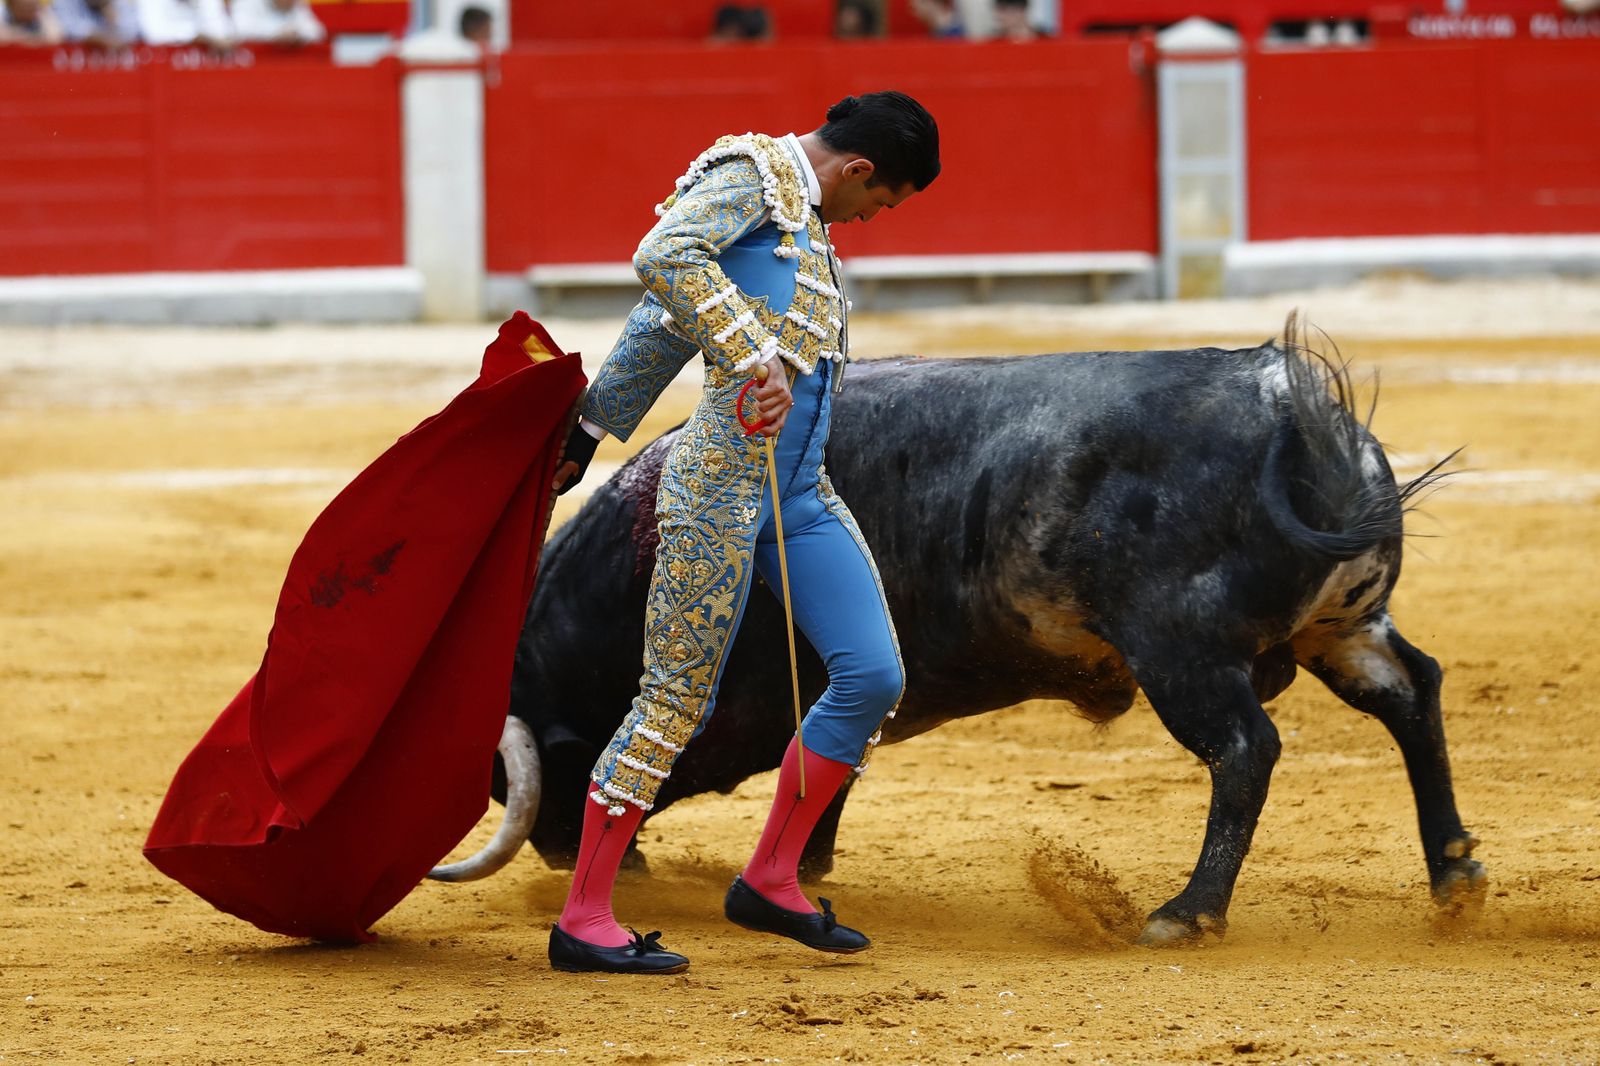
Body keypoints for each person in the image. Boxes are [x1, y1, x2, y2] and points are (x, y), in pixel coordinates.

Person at [548, 91, 940, 975]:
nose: (873, 215)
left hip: (799, 493)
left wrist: (607, 418)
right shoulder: (750, 175)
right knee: (675, 699)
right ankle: (583, 915)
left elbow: (668, 315)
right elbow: (663, 258)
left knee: (873, 673)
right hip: (717, 491)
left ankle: (770, 877)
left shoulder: (804, 216)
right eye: (883, 200)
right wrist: (600, 426)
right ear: (858, 169)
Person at [230, 0, 324, 45]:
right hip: (252, 63)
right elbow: (240, 30)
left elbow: (318, 32)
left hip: (289, 65)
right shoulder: (248, 2)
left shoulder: (296, 4)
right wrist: (276, 35)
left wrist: (298, 36)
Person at [0, 0, 65, 44]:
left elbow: (56, 38)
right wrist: (34, 39)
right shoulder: (2, 11)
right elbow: (2, 37)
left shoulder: (42, 12)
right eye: (25, 8)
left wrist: (43, 11)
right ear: (12, 4)